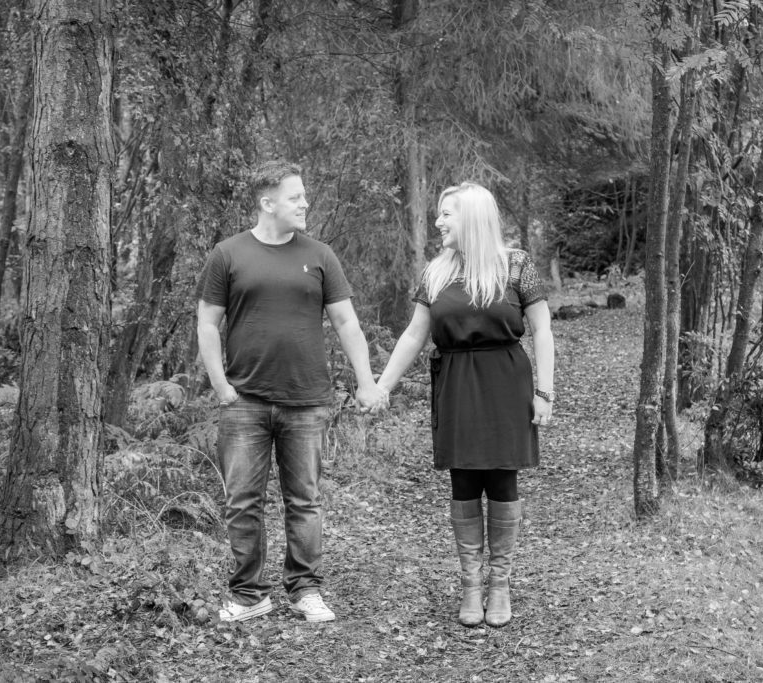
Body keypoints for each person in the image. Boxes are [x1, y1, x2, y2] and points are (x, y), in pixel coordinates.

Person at [196, 160, 385, 623]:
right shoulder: (228, 254)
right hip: (245, 401)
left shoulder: (320, 255)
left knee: (305, 499)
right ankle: (248, 596)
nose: (305, 203)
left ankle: (305, 590)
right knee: (243, 501)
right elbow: (206, 321)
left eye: (304, 195)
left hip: (307, 400)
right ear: (268, 203)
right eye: (295, 196)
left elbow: (345, 321)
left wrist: (366, 381)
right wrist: (220, 384)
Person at [376, 182, 555, 627]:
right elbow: (414, 335)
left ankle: (500, 584)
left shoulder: (516, 266)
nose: (438, 222)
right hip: (456, 386)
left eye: (446, 214)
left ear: (472, 217)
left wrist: (545, 391)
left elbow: (543, 331)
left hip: (506, 384)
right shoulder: (435, 272)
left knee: (502, 482)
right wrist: (382, 386)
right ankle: (471, 585)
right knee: (463, 482)